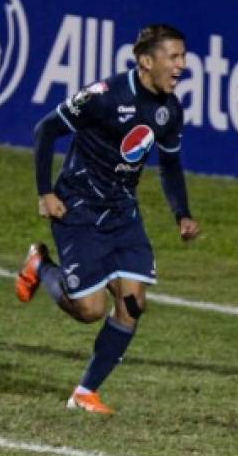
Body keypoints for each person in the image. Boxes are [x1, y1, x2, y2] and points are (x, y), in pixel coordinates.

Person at [16, 23, 201, 414]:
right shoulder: (105, 96)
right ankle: (41, 266)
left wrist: (182, 214)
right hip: (78, 206)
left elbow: (169, 164)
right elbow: (45, 129)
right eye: (174, 57)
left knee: (133, 304)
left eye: (184, 56)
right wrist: (45, 192)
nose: (182, 65)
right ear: (146, 61)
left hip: (122, 211)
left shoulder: (170, 111)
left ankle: (85, 391)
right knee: (90, 310)